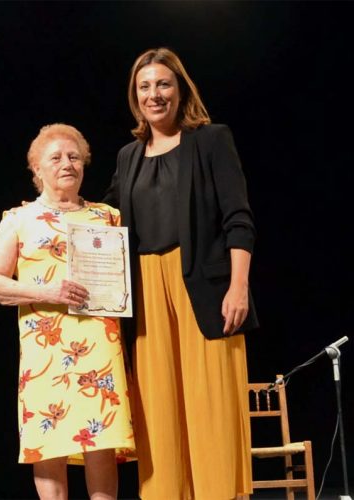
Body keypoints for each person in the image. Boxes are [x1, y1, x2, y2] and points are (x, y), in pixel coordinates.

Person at [103, 47, 259, 499]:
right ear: (136, 97)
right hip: (147, 291)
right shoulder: (128, 156)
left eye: (163, 84)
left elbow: (239, 219)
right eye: (145, 87)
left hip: (205, 290)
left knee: (212, 407)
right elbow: (103, 219)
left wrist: (239, 287)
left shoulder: (211, 140)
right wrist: (44, 215)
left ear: (180, 89)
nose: (155, 94)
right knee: (158, 410)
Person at [0, 124, 135, 500]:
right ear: (37, 169)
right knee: (48, 440)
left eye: (74, 157)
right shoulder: (18, 219)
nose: (67, 164)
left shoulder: (108, 217)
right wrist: (46, 291)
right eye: (56, 158)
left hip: (100, 341)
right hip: (45, 346)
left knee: (101, 436)